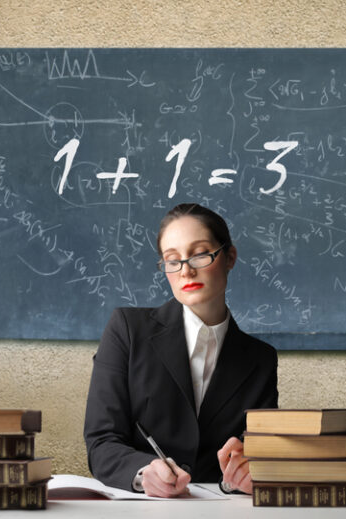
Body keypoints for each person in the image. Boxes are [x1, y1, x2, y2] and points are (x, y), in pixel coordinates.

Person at [83, 203, 278, 497]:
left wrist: (241, 476)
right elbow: (101, 440)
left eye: (199, 254)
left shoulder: (260, 359)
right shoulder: (127, 330)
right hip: (141, 511)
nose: (185, 270)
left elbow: (256, 451)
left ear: (230, 257)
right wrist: (143, 472)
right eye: (172, 260)